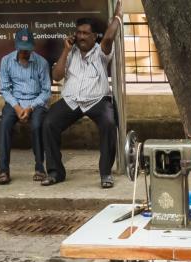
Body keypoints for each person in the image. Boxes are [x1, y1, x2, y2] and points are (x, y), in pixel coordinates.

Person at [41, 0, 122, 188]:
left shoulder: (102, 51)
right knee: (49, 123)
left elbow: (109, 38)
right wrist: (65, 50)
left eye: (86, 33)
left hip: (97, 100)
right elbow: (56, 76)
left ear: (94, 36)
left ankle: (105, 174)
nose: (82, 37)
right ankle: (55, 172)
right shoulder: (70, 52)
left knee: (110, 123)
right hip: (71, 100)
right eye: (79, 33)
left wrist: (118, 16)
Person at [0, 28, 52, 185]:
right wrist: (18, 108)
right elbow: (5, 89)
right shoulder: (6, 61)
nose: (25, 53)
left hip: (36, 102)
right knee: (4, 125)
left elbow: (46, 92)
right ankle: (3, 170)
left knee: (36, 125)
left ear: (32, 47)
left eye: (28, 49)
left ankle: (40, 167)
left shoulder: (41, 62)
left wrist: (30, 108)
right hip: (15, 102)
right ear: (16, 46)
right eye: (22, 49)